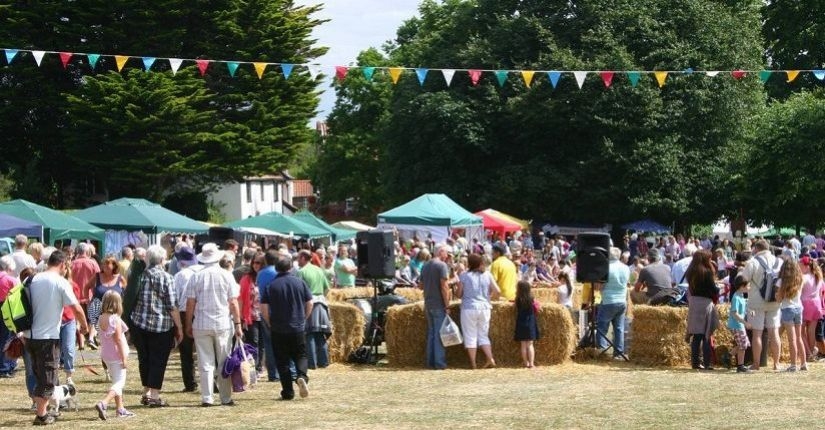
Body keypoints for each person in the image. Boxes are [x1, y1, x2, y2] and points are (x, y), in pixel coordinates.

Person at [26, 250, 89, 426]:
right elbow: (76, 308)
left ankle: (45, 409)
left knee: (39, 375)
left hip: (29, 336)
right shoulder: (60, 282)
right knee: (48, 378)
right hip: (47, 337)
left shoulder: (31, 279)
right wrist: (84, 327)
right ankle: (41, 415)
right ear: (62, 265)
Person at [185, 243, 244, 407]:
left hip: (202, 323)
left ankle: (207, 397)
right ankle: (225, 397)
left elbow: (190, 304)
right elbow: (233, 302)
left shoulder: (196, 276)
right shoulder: (226, 275)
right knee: (224, 361)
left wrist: (188, 323)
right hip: (222, 323)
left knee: (205, 363)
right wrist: (238, 324)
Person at [130, 245, 183, 408]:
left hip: (139, 323)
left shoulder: (139, 276)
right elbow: (172, 306)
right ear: (161, 260)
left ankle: (146, 391)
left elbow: (130, 298)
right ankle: (154, 395)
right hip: (161, 326)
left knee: (144, 358)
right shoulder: (167, 278)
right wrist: (179, 327)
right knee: (158, 360)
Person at [260, 254, 312, 400]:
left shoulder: (271, 285)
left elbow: (263, 307)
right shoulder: (300, 283)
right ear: (290, 267)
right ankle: (302, 376)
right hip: (297, 326)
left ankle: (288, 391)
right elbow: (310, 302)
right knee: (300, 355)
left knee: (282, 361)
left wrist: (269, 322)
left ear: (276, 268)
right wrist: (304, 318)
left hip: (278, 327)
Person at [740, 239, 782, 371]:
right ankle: (776, 363)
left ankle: (756, 364)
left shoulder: (752, 262)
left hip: (755, 303)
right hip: (775, 301)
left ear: (756, 249)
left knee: (757, 334)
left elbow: (743, 279)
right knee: (774, 332)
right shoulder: (779, 261)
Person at [455, 253, 500, 369]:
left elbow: (459, 294)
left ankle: (474, 364)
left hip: (469, 307)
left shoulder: (464, 275)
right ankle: (490, 358)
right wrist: (489, 296)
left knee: (470, 335)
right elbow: (498, 291)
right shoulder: (487, 275)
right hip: (485, 307)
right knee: (483, 335)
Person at [95, 290, 135, 420]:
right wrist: (124, 358)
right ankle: (104, 402)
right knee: (119, 383)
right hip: (117, 356)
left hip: (106, 355)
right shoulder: (115, 319)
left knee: (115, 381)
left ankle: (120, 409)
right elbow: (118, 340)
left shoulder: (101, 318)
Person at [172, 245, 202, 393]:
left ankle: (190, 383)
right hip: (201, 312)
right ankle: (211, 381)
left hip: (184, 313)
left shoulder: (180, 276)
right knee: (205, 349)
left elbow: (175, 299)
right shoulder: (202, 272)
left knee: (186, 351)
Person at [296, 250, 332, 369]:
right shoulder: (319, 270)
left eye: (298, 258)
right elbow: (327, 289)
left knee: (309, 333)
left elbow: (298, 291)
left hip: (309, 303)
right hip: (321, 303)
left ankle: (312, 363)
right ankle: (324, 361)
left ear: (302, 258)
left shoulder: (301, 272)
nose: (297, 260)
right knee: (320, 333)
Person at [686, 250, 719, 370]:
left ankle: (695, 363)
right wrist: (718, 289)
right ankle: (707, 363)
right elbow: (713, 289)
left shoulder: (690, 272)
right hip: (705, 303)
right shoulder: (707, 272)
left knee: (696, 335)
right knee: (706, 334)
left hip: (694, 303)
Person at [420, 244, 452, 370]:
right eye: (446, 253)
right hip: (438, 304)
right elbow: (444, 287)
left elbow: (421, 286)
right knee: (439, 334)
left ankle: (430, 362)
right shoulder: (442, 265)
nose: (448, 255)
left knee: (432, 333)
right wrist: (447, 305)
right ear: (441, 252)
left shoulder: (425, 265)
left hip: (428, 303)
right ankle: (439, 363)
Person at [85, 255, 126, 353]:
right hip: (98, 306)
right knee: (95, 306)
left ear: (114, 266)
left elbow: (126, 292)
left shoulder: (120, 278)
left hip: (113, 310)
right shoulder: (97, 276)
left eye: (109, 263)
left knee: (110, 338)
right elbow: (86, 287)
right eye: (104, 264)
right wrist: (87, 300)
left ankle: (109, 355)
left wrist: (122, 302)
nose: (106, 266)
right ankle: (91, 337)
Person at [597, 247, 630, 360]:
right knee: (619, 328)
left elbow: (599, 286)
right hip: (622, 300)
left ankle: (602, 351)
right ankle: (618, 353)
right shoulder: (626, 268)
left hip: (608, 300)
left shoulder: (606, 267)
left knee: (602, 327)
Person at [776, 257, 806, 371]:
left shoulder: (781, 282)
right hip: (799, 308)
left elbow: (779, 299)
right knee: (799, 338)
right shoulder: (800, 279)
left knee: (791, 339)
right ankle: (803, 364)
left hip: (787, 309)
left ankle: (793, 365)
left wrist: (775, 296)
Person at [798, 256, 824, 360]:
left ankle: (808, 353)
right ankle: (812, 351)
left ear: (806, 266)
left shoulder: (803, 277)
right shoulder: (818, 276)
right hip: (816, 304)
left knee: (801, 331)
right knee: (811, 331)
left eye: (800, 266)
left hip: (805, 304)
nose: (799, 268)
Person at [727, 276, 752, 373]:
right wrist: (745, 322)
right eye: (748, 286)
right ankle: (740, 366)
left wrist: (750, 311)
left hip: (739, 325)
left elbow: (745, 308)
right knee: (743, 345)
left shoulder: (741, 296)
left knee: (743, 343)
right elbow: (734, 313)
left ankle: (728, 356)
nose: (749, 288)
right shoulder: (736, 297)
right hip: (736, 325)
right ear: (742, 286)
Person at [0, 255, 19, 378]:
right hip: (8, 309)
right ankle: (6, 367)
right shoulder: (11, 280)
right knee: (8, 338)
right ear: (9, 267)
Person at [514, 280, 540, 368]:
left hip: (521, 322)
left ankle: (526, 363)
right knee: (530, 344)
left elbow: (514, 307)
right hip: (530, 322)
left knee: (523, 345)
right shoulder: (531, 298)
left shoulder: (518, 299)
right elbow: (537, 307)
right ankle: (532, 364)